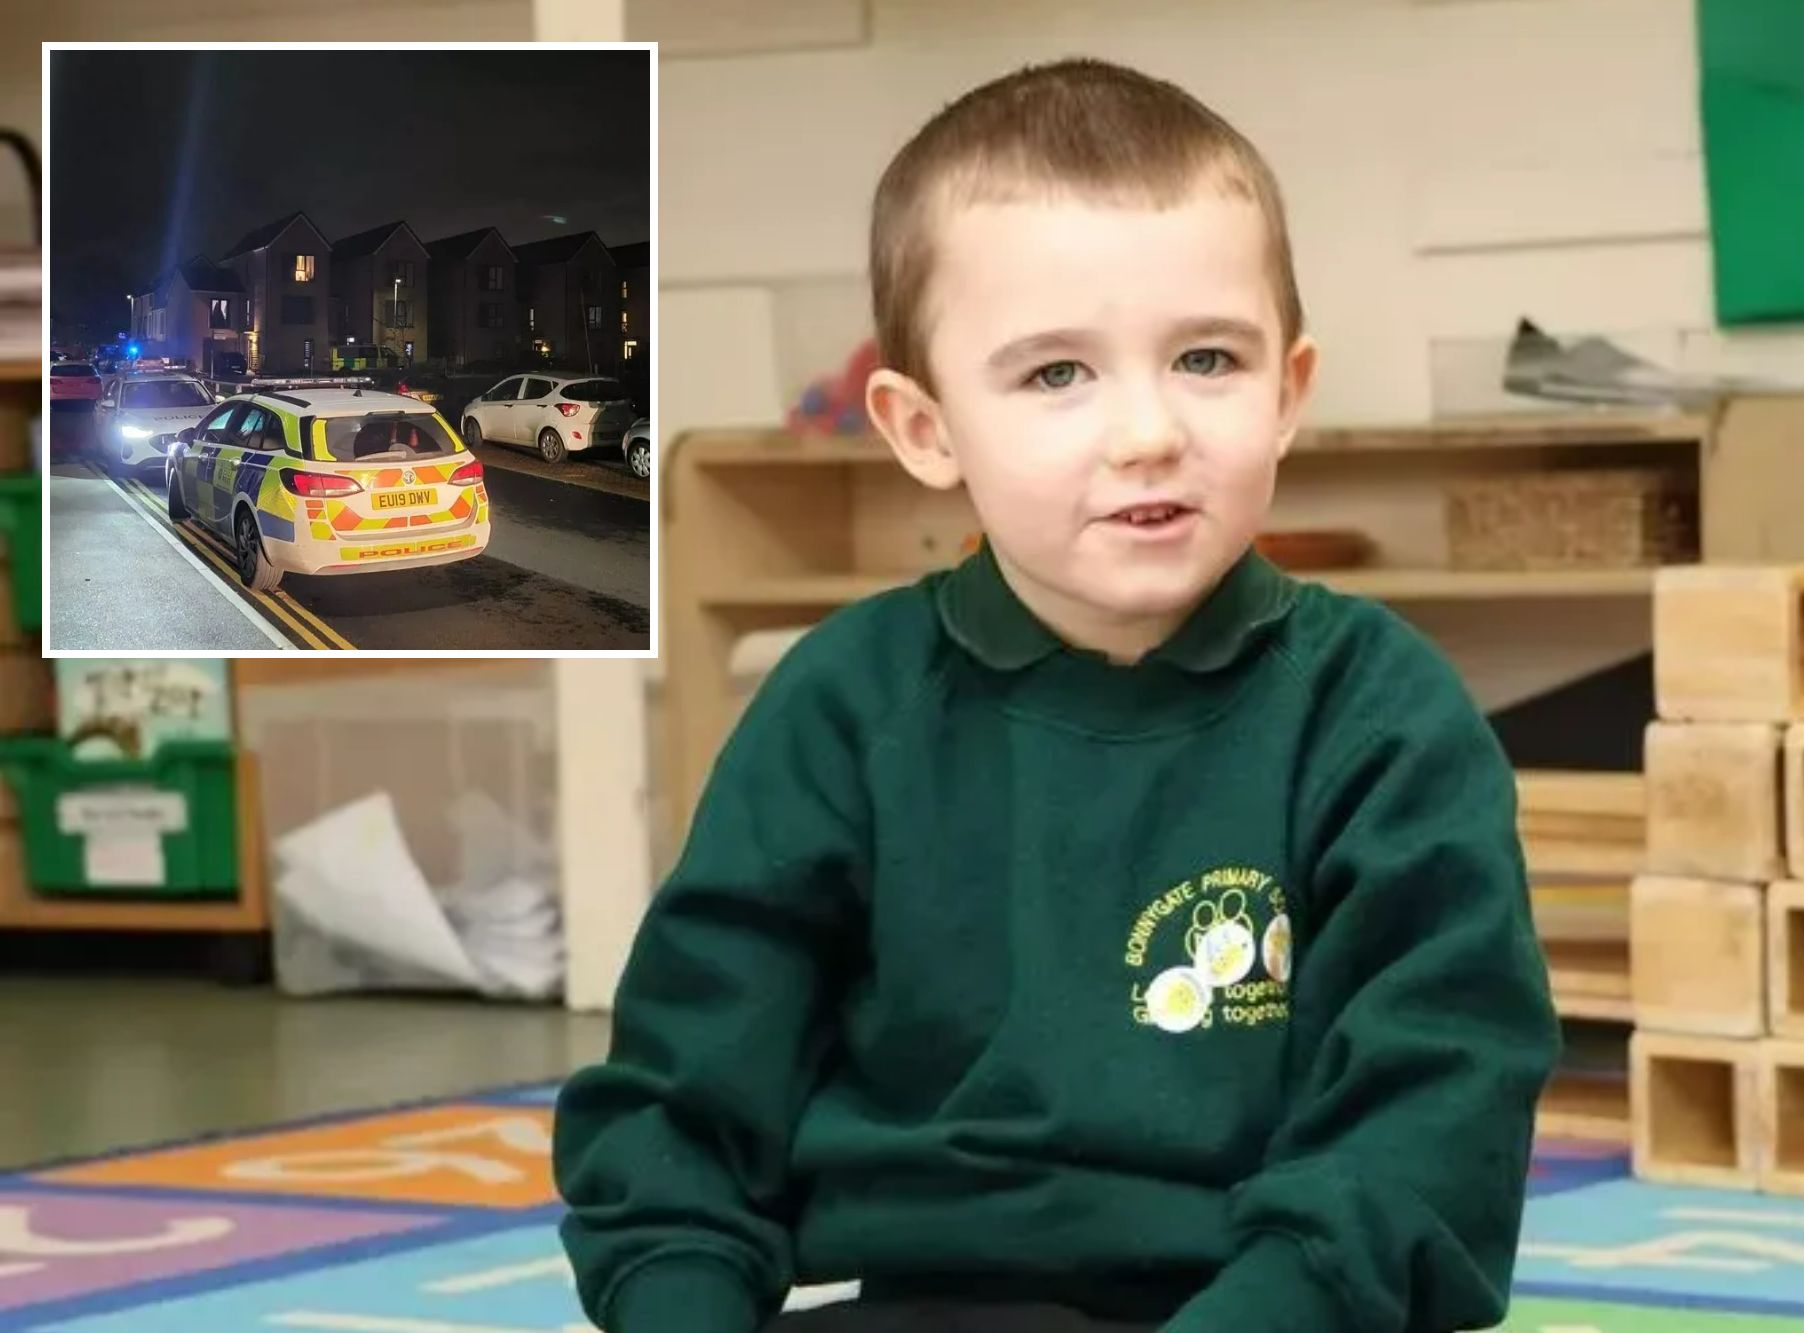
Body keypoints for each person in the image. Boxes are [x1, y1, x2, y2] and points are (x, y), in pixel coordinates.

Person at [555, 56, 1560, 1333]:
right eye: (1053, 375)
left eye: (1206, 358)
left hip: (1288, 1303)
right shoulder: (844, 706)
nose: (1146, 430)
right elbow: (684, 1094)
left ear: (1288, 394)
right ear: (923, 430)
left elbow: (1435, 1106)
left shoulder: (1382, 713)